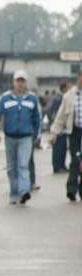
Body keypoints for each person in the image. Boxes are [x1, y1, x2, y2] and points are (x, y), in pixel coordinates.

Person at [0, 70, 41, 205]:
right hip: (10, 137)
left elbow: (37, 118)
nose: (20, 84)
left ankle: (24, 192)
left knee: (23, 165)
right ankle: (14, 194)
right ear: (13, 82)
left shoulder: (32, 99)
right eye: (18, 81)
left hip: (26, 138)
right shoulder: (5, 98)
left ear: (26, 83)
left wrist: (37, 135)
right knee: (12, 168)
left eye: (22, 81)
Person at [48, 70, 82, 201]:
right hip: (74, 132)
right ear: (79, 78)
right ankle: (71, 189)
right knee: (75, 160)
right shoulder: (69, 96)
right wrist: (54, 133)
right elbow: (60, 117)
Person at [49, 80, 71, 174]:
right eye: (68, 87)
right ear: (64, 88)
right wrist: (55, 124)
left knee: (62, 148)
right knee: (58, 148)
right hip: (59, 128)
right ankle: (58, 167)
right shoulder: (59, 99)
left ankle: (61, 165)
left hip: (62, 128)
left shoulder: (60, 97)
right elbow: (55, 113)